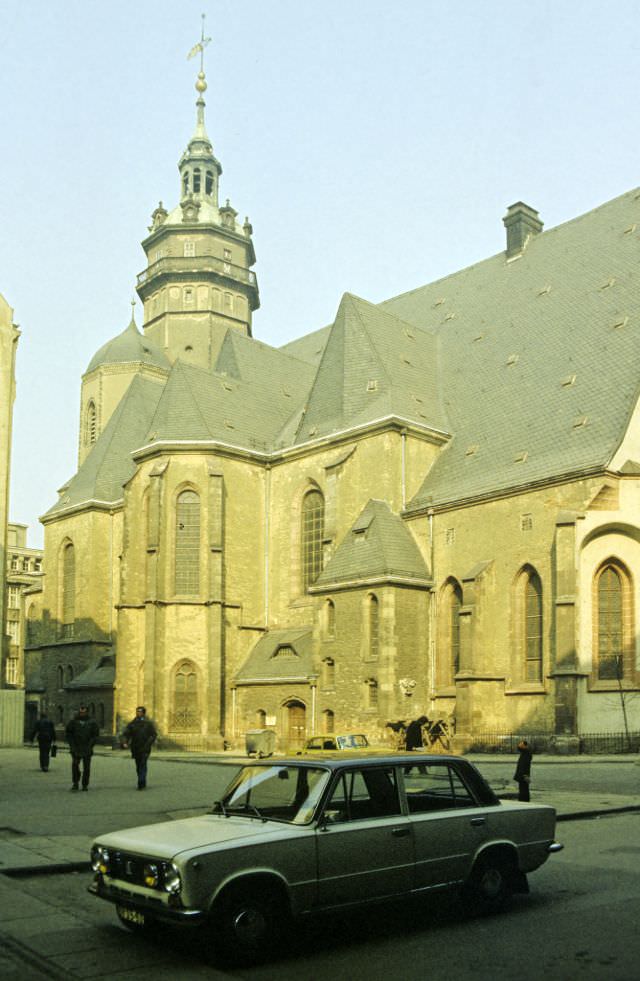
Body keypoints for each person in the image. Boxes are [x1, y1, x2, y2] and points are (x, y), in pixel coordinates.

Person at [122, 706, 157, 790]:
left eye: (140, 711)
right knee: (138, 765)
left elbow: (153, 735)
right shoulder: (132, 723)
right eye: (137, 711)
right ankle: (141, 780)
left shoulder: (148, 724)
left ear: (144, 713)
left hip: (145, 747)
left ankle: (141, 781)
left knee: (143, 764)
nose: (138, 713)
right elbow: (127, 734)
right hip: (135, 747)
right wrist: (125, 742)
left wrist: (149, 743)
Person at [65, 705, 100, 791]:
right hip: (76, 748)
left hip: (87, 748)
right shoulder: (73, 722)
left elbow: (95, 736)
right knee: (75, 765)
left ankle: (85, 784)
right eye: (80, 712)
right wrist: (72, 746)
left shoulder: (92, 723)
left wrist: (90, 745)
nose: (82, 714)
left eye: (84, 712)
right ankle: (75, 783)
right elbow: (69, 734)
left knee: (87, 768)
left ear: (87, 712)